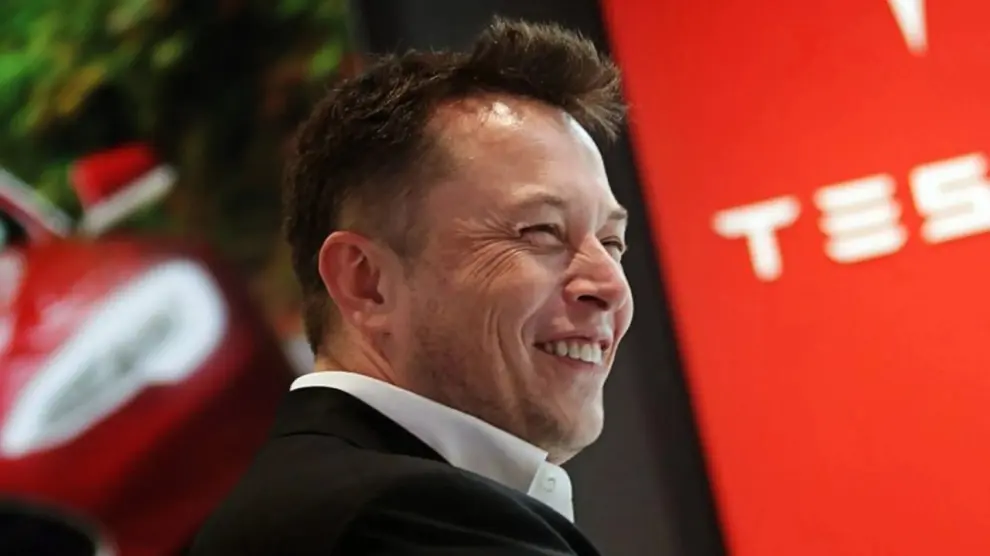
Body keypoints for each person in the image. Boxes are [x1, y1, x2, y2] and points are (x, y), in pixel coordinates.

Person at [190, 17, 634, 556]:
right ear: (366, 282)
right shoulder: (397, 521)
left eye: (611, 242)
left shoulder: (327, 498)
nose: (610, 285)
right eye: (541, 231)